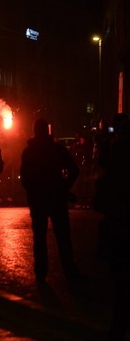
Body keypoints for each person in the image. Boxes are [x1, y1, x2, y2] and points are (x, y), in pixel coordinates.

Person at [20, 118, 80, 284]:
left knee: (39, 237)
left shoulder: (28, 152)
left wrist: (33, 192)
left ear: (34, 131)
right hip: (57, 199)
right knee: (63, 237)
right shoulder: (57, 149)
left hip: (38, 201)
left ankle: (40, 274)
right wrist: (64, 188)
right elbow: (74, 170)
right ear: (47, 130)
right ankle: (69, 272)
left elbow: (24, 178)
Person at [93, 115, 130, 339]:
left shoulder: (113, 177)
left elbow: (100, 202)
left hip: (120, 238)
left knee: (122, 292)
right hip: (120, 236)